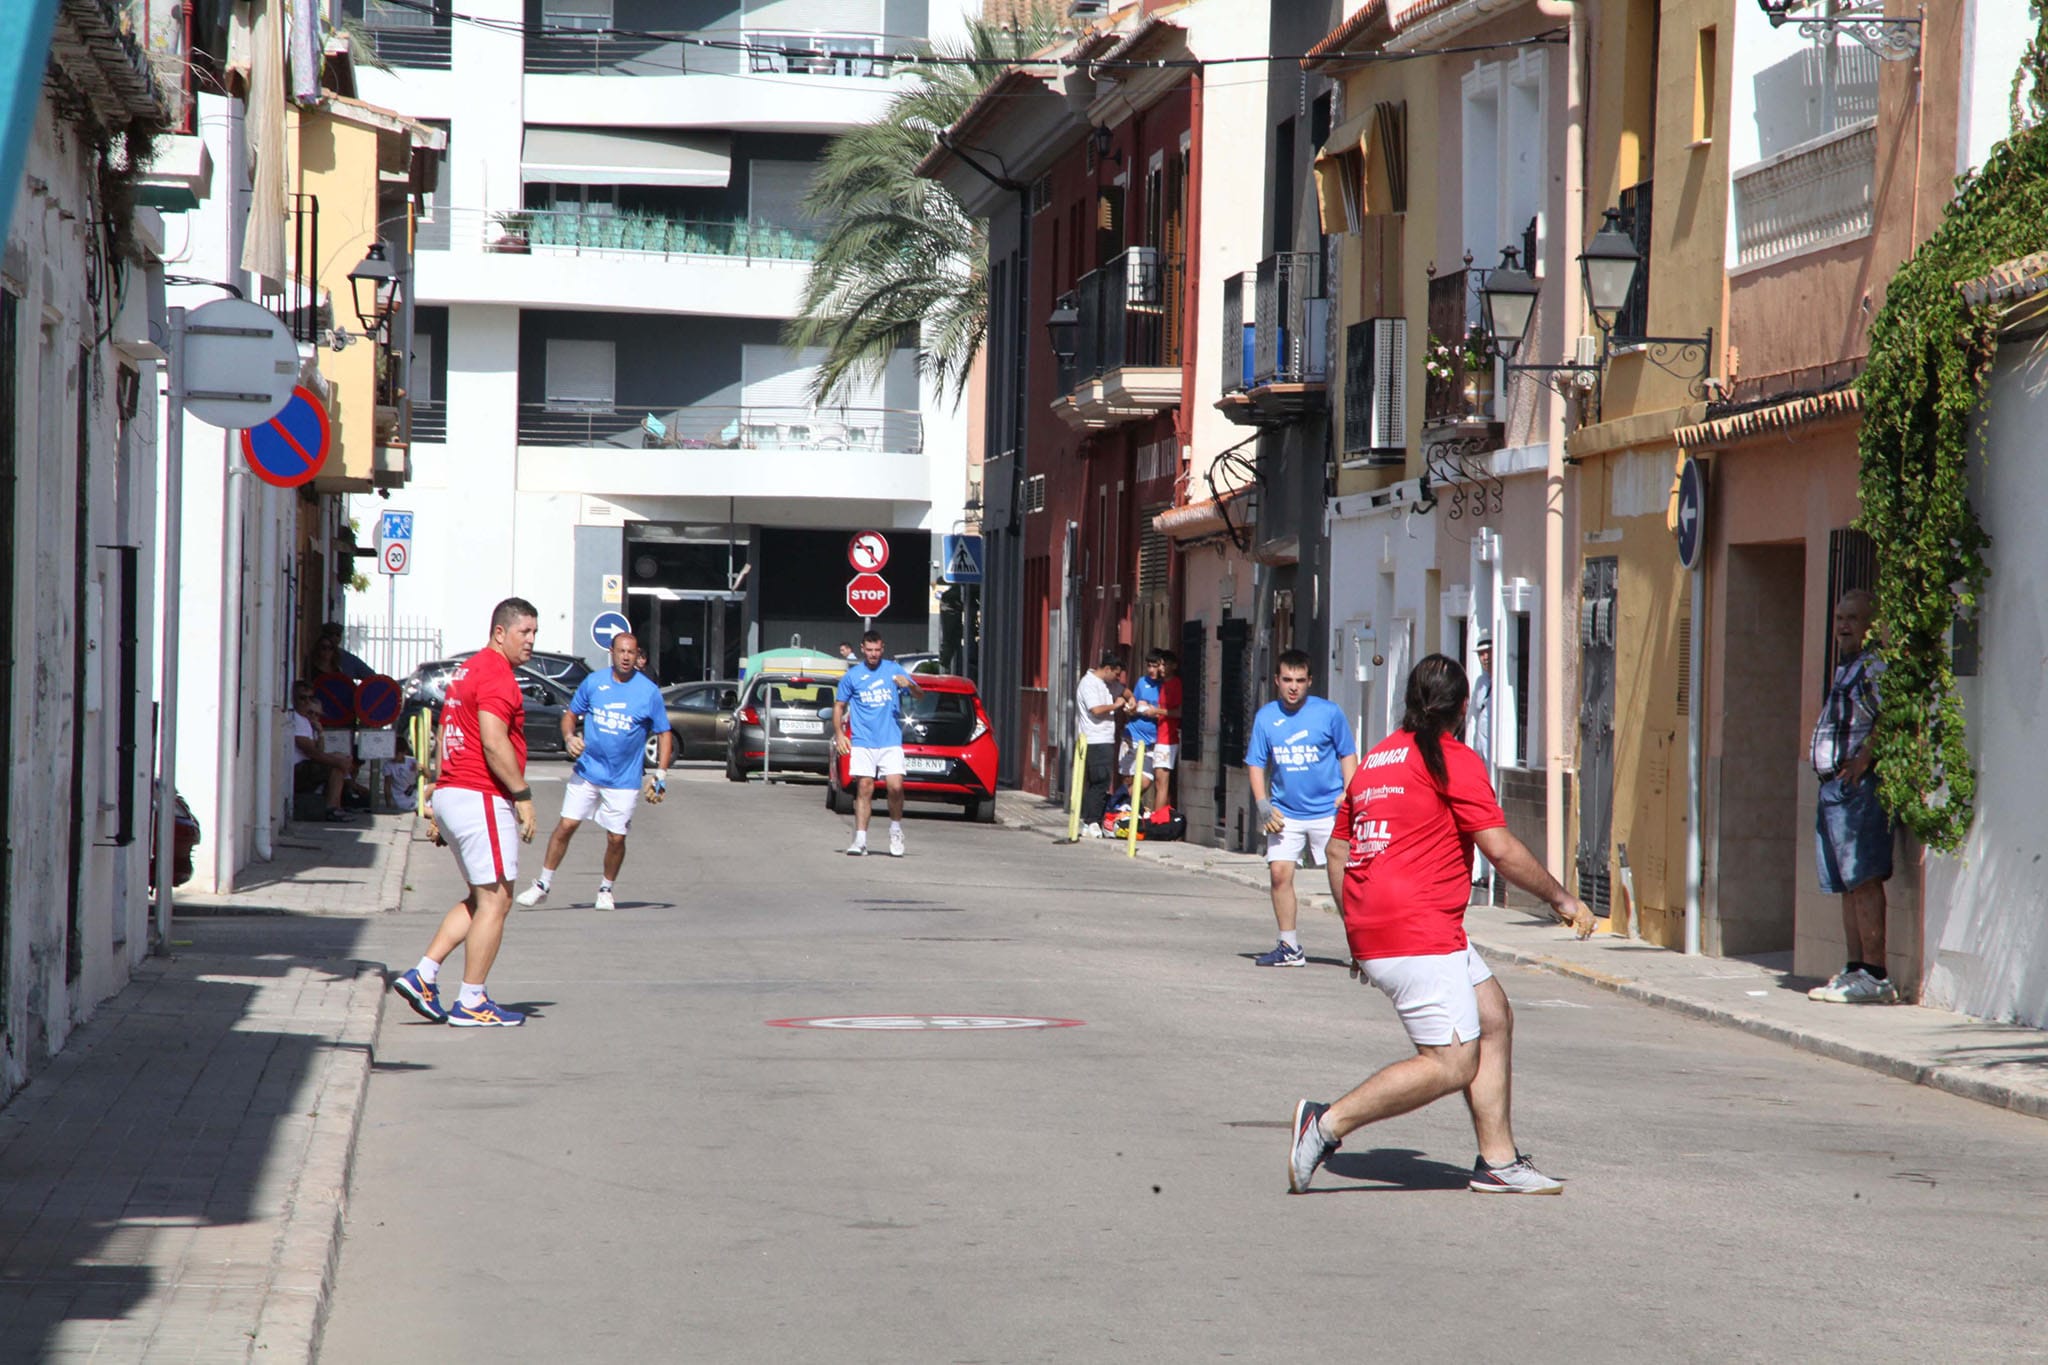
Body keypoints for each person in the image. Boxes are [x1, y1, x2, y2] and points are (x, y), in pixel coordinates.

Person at [1289, 654, 1596, 1196]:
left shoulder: (1377, 760)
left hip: (1387, 929)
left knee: (1493, 1015)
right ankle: (1326, 1124)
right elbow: (1499, 849)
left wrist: (1356, 934)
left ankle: (1499, 1162)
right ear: (1462, 707)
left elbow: (1337, 853)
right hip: (1418, 931)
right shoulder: (1453, 759)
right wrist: (1562, 898)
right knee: (1451, 1063)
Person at [392, 597, 541, 1028]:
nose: (531, 640)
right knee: (498, 898)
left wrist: (440, 791)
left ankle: (423, 975)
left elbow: (445, 730)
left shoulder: (467, 670)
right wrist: (522, 795)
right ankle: (472, 1001)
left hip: (456, 792)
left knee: (481, 897)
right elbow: (493, 741)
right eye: (524, 632)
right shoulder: (497, 675)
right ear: (500, 632)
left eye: (534, 632)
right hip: (480, 795)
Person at [515, 631, 672, 912]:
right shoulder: (594, 682)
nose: (626, 657)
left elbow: (664, 732)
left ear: (638, 656)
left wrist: (660, 774)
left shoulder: (648, 692)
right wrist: (569, 738)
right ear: (612, 652)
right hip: (588, 771)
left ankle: (605, 889)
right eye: (621, 651)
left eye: (631, 652)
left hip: (624, 779)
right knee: (566, 825)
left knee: (616, 837)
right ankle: (542, 885)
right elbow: (570, 715)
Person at [1807, 589, 1898, 1004]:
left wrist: (1864, 758)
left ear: (1870, 625)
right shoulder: (1848, 667)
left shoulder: (1873, 666)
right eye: (1840, 617)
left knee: (1863, 879)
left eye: (1853, 618)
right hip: (1834, 789)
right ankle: (1855, 969)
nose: (1843, 625)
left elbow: (1890, 714)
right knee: (1846, 884)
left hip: (1856, 790)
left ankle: (1876, 975)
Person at [1244, 649, 1358, 966]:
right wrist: (1262, 804)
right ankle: (1289, 947)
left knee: (1343, 881)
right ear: (1277, 681)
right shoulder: (1266, 717)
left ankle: (1361, 948)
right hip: (1285, 813)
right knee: (1279, 874)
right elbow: (1256, 763)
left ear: (1309, 681)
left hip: (1328, 811)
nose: (1293, 687)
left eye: (1299, 680)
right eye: (1287, 680)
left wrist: (1349, 794)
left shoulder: (1329, 713)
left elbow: (1347, 754)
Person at [833, 631, 922, 856]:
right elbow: (839, 706)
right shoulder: (852, 676)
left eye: (877, 650)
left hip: (890, 740)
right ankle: (860, 840)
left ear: (883, 649)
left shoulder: (893, 669)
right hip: (863, 740)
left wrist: (909, 685)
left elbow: (919, 694)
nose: (873, 654)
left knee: (895, 786)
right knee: (864, 787)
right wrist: (840, 734)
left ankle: (895, 830)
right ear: (862, 649)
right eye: (869, 650)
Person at [1074, 649, 1129, 839]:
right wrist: (1116, 705)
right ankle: (1091, 821)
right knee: (1099, 781)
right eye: (1116, 674)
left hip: (1105, 738)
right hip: (1095, 739)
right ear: (1107, 669)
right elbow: (1096, 710)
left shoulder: (1107, 683)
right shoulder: (1089, 683)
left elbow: (1124, 691)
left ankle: (1090, 820)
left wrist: (1131, 701)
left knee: (1100, 781)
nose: (1117, 679)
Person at [1121, 649, 1182, 816]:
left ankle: (1156, 818)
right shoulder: (1149, 683)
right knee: (1136, 778)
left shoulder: (1173, 684)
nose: (1159, 668)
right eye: (1158, 665)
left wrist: (1156, 711)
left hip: (1164, 739)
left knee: (1159, 782)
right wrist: (1135, 708)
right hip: (1152, 737)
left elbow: (1177, 711)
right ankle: (1126, 808)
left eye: (1162, 665)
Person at [290, 681, 360, 821]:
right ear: (294, 698)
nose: (307, 702)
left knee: (340, 759)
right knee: (336, 765)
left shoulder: (306, 721)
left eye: (310, 698)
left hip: (306, 765)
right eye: (302, 698)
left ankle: (337, 805)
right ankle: (332, 808)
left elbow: (319, 750)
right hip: (296, 769)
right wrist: (338, 762)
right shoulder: (296, 719)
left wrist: (320, 733)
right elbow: (312, 752)